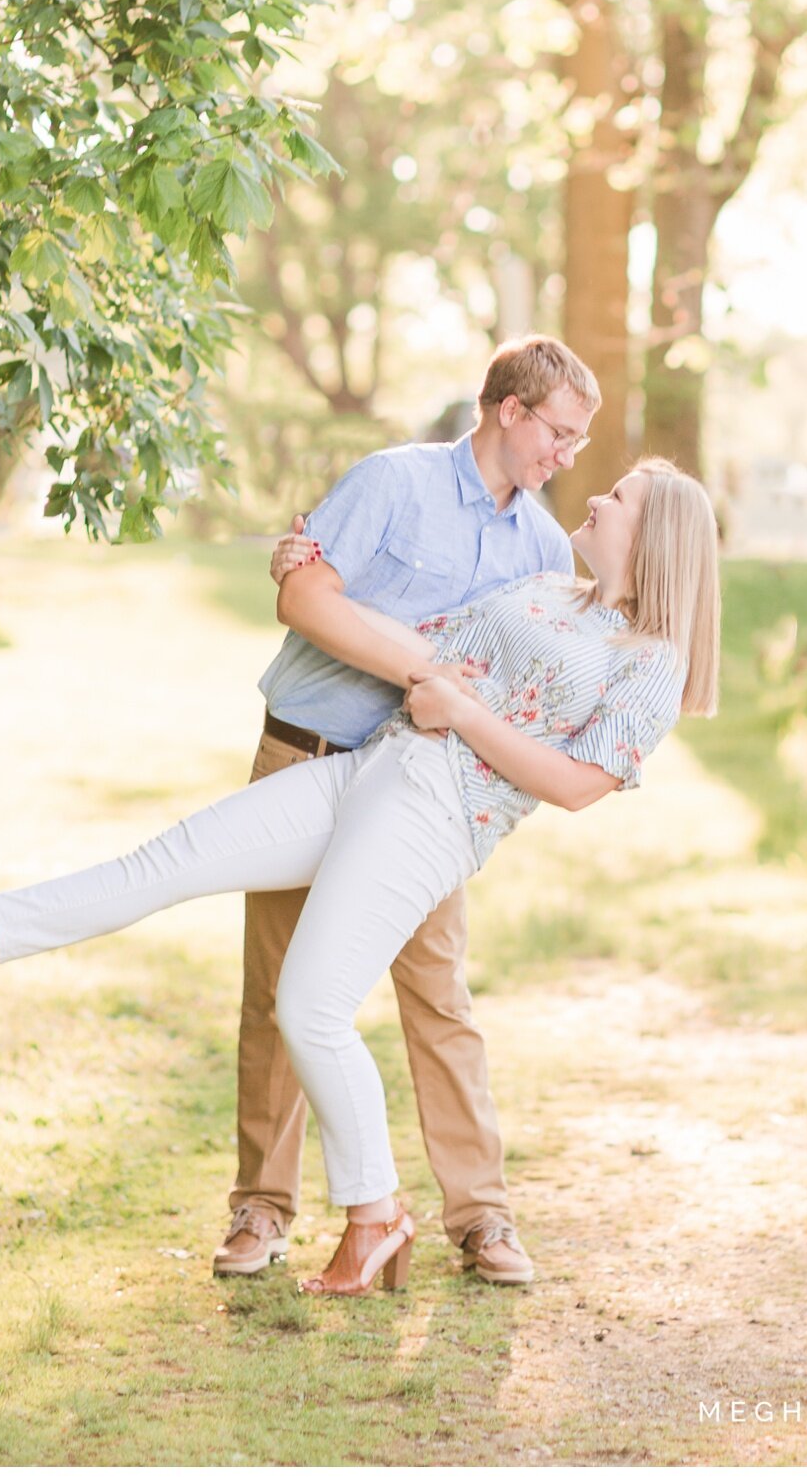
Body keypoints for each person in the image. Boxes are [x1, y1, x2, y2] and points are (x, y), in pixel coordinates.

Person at [0, 457, 720, 1300]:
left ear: (655, 538)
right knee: (169, 859)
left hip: (437, 812)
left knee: (311, 1006)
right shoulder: (545, 591)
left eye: (620, 495)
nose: (596, 496)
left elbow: (575, 785)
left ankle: (376, 1216)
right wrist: (309, 575)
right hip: (371, 768)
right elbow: (412, 640)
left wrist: (463, 714)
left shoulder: (652, 662)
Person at [227, 335, 597, 1289]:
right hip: (305, 754)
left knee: (438, 997)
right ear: (509, 409)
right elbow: (305, 598)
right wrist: (426, 666)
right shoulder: (392, 482)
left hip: (419, 796)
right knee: (279, 993)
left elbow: (559, 666)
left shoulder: (547, 547)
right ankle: (261, 1210)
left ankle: (482, 1218)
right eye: (559, 431)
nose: (568, 454)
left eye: (578, 441)